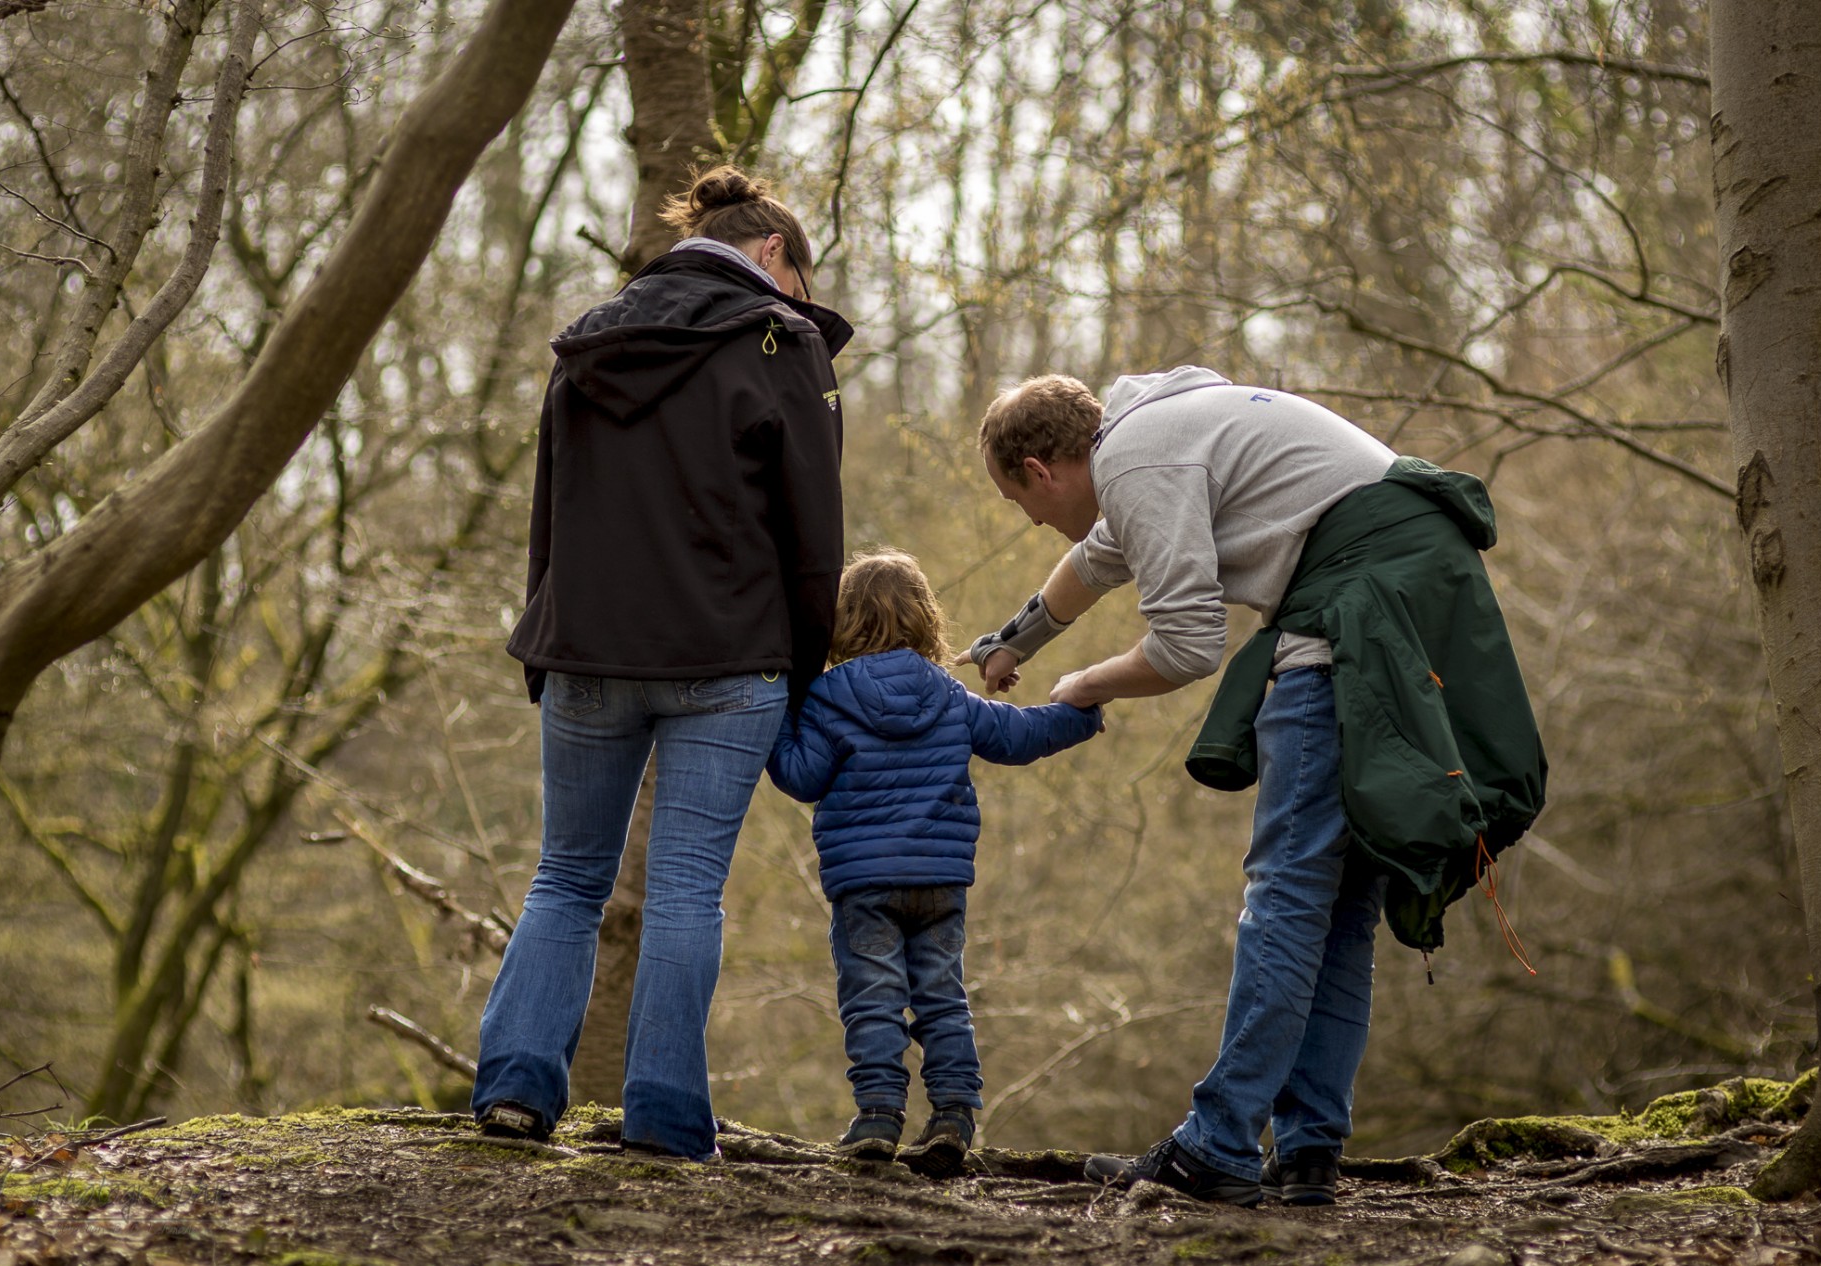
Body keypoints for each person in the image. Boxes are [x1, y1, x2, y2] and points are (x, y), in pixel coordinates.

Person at [966, 369, 1544, 1206]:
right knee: (1341, 902)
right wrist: (1011, 642)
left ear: (1038, 470)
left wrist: (1085, 685)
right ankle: (1310, 1151)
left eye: (1024, 505)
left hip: (1356, 610)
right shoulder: (1166, 429)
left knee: (1286, 892)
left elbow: (1189, 645)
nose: (1036, 521)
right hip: (1414, 599)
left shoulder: (1135, 461)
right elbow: (1096, 564)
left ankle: (1219, 1142)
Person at [471, 166, 853, 1161]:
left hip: (584, 651)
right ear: (773, 253)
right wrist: (805, 675)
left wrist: (544, 637)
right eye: (804, 279)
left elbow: (548, 507)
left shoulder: (591, 339)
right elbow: (815, 539)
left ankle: (514, 1092)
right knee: (685, 886)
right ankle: (667, 1120)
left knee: (565, 877)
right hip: (729, 659)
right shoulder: (784, 341)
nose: (807, 302)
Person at [767, 550, 1104, 1177]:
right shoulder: (948, 694)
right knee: (942, 998)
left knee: (872, 999)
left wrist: (779, 716)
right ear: (926, 621)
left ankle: (877, 1117)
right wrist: (1082, 712)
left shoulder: (824, 698)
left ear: (841, 624)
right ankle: (952, 1114)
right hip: (941, 881)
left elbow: (802, 776)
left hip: (864, 883)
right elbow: (1018, 737)